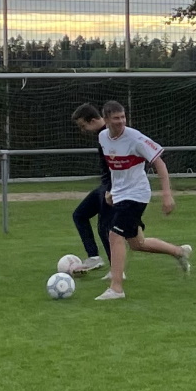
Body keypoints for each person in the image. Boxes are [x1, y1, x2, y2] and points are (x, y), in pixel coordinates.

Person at [95, 100, 192, 300]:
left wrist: (167, 194)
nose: (121, 122)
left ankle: (116, 288)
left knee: (114, 235)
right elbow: (114, 167)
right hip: (121, 194)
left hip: (137, 194)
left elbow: (160, 163)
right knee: (137, 243)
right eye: (116, 118)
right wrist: (111, 190)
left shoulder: (135, 138)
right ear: (105, 120)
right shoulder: (103, 137)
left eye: (123, 117)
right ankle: (179, 252)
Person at [68, 103, 113, 273]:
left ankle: (116, 270)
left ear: (93, 120)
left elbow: (116, 165)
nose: (82, 130)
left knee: (105, 227)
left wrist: (111, 189)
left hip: (112, 187)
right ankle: (94, 257)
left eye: (83, 125)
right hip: (105, 186)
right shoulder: (102, 135)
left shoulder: (108, 135)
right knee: (80, 215)